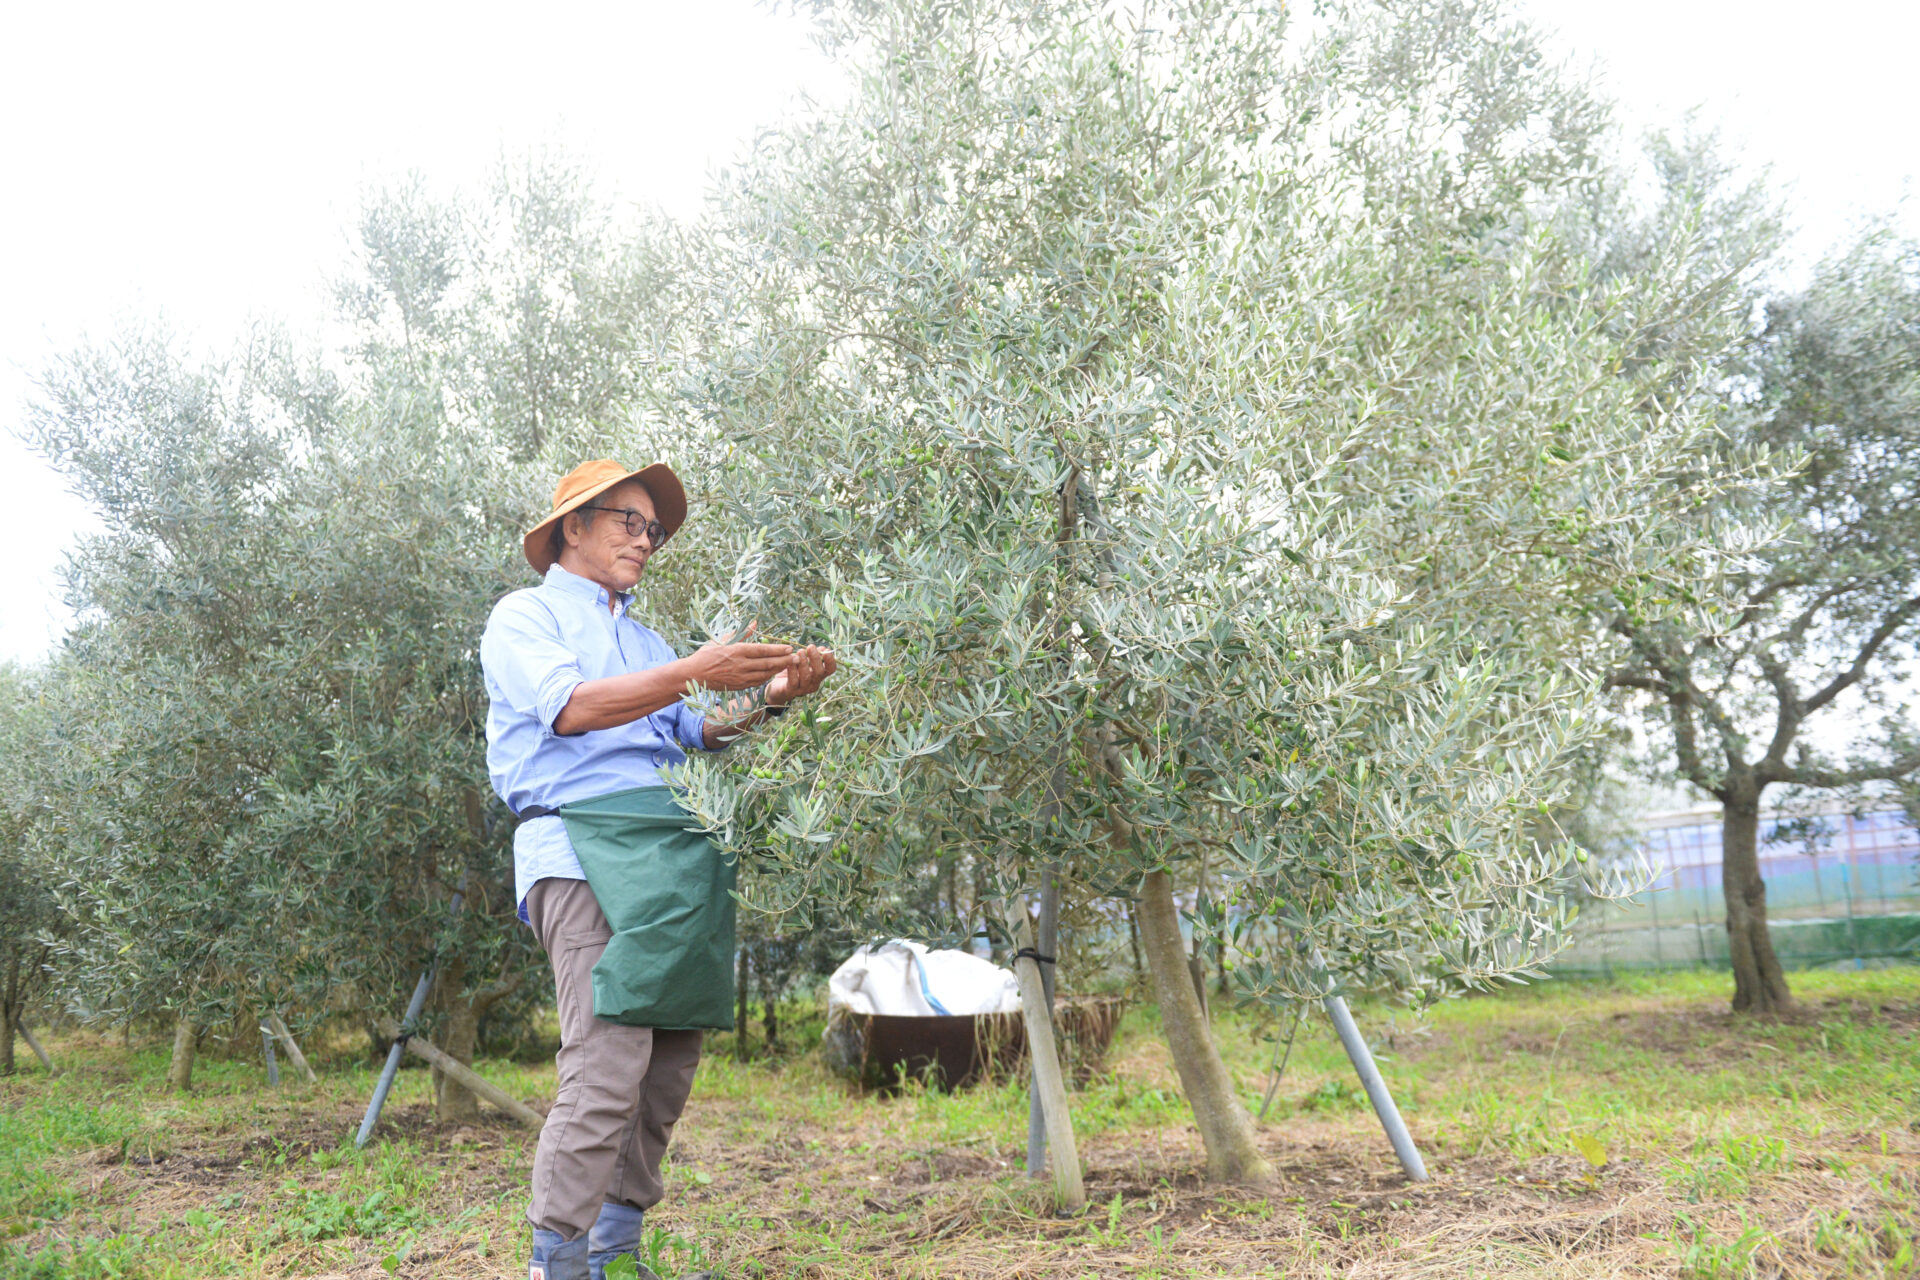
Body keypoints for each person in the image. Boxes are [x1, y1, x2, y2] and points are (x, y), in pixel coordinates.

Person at [481, 459, 835, 1280]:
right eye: (628, 522)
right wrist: (690, 672)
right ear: (574, 525)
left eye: (654, 530)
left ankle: (614, 1253)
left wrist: (776, 695)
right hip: (578, 851)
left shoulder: (645, 641)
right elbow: (570, 709)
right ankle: (557, 1265)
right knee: (606, 1063)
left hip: (669, 854)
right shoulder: (524, 618)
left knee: (668, 1063)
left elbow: (700, 733)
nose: (645, 541)